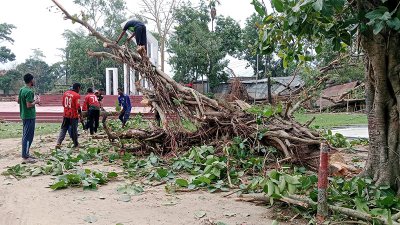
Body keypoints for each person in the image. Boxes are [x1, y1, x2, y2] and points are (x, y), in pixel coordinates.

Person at [18, 73, 40, 163]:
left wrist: (32, 101)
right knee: (28, 137)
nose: (34, 81)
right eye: (33, 79)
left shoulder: (22, 89)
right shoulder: (29, 91)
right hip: (29, 116)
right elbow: (28, 105)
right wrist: (36, 101)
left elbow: (19, 101)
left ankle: (26, 153)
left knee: (25, 135)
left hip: (24, 115)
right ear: (31, 81)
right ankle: (26, 156)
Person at [56, 83, 82, 149]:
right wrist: (80, 115)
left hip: (65, 114)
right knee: (74, 130)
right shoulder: (77, 95)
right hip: (73, 115)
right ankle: (76, 144)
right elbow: (78, 107)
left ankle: (58, 143)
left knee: (63, 129)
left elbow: (63, 103)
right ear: (78, 88)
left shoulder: (66, 93)